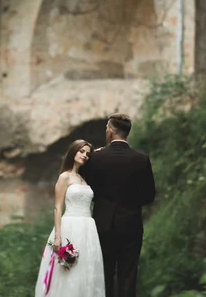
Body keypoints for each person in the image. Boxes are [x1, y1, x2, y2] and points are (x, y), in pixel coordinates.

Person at [80, 113, 156, 297]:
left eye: (107, 128)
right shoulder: (141, 159)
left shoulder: (97, 158)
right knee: (128, 275)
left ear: (111, 131)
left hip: (102, 223)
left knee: (104, 274)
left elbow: (85, 187)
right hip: (131, 224)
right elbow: (149, 196)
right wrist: (130, 203)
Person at [34, 140, 106, 297]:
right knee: (67, 272)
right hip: (70, 227)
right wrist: (58, 237)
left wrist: (98, 153)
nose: (84, 155)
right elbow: (57, 208)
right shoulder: (64, 177)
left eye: (87, 154)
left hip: (88, 229)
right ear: (73, 152)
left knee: (85, 270)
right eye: (81, 151)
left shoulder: (84, 178)